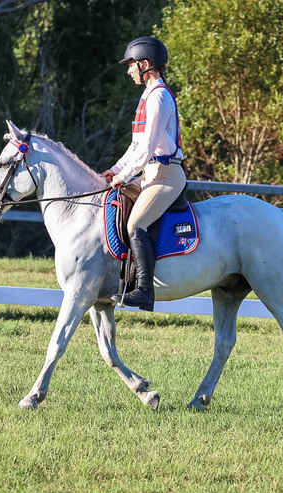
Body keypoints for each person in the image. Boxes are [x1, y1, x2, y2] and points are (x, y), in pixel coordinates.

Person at [103, 36, 186, 312]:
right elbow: (136, 146)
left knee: (135, 225)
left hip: (166, 175)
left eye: (131, 65)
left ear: (145, 64)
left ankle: (144, 291)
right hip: (150, 173)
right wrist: (115, 170)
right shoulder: (147, 95)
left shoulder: (159, 97)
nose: (129, 70)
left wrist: (125, 176)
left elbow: (148, 148)